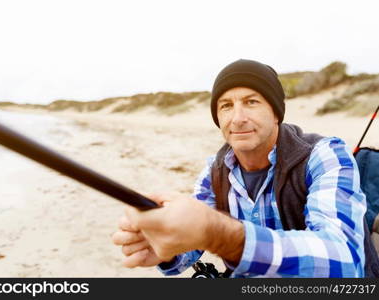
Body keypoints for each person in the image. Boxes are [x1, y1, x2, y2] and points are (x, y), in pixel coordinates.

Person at [111, 59, 368, 277]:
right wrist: (164, 247)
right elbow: (189, 249)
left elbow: (345, 260)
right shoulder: (215, 171)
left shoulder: (324, 154)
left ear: (276, 112)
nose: (238, 118)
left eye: (251, 102)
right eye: (226, 106)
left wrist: (220, 235)